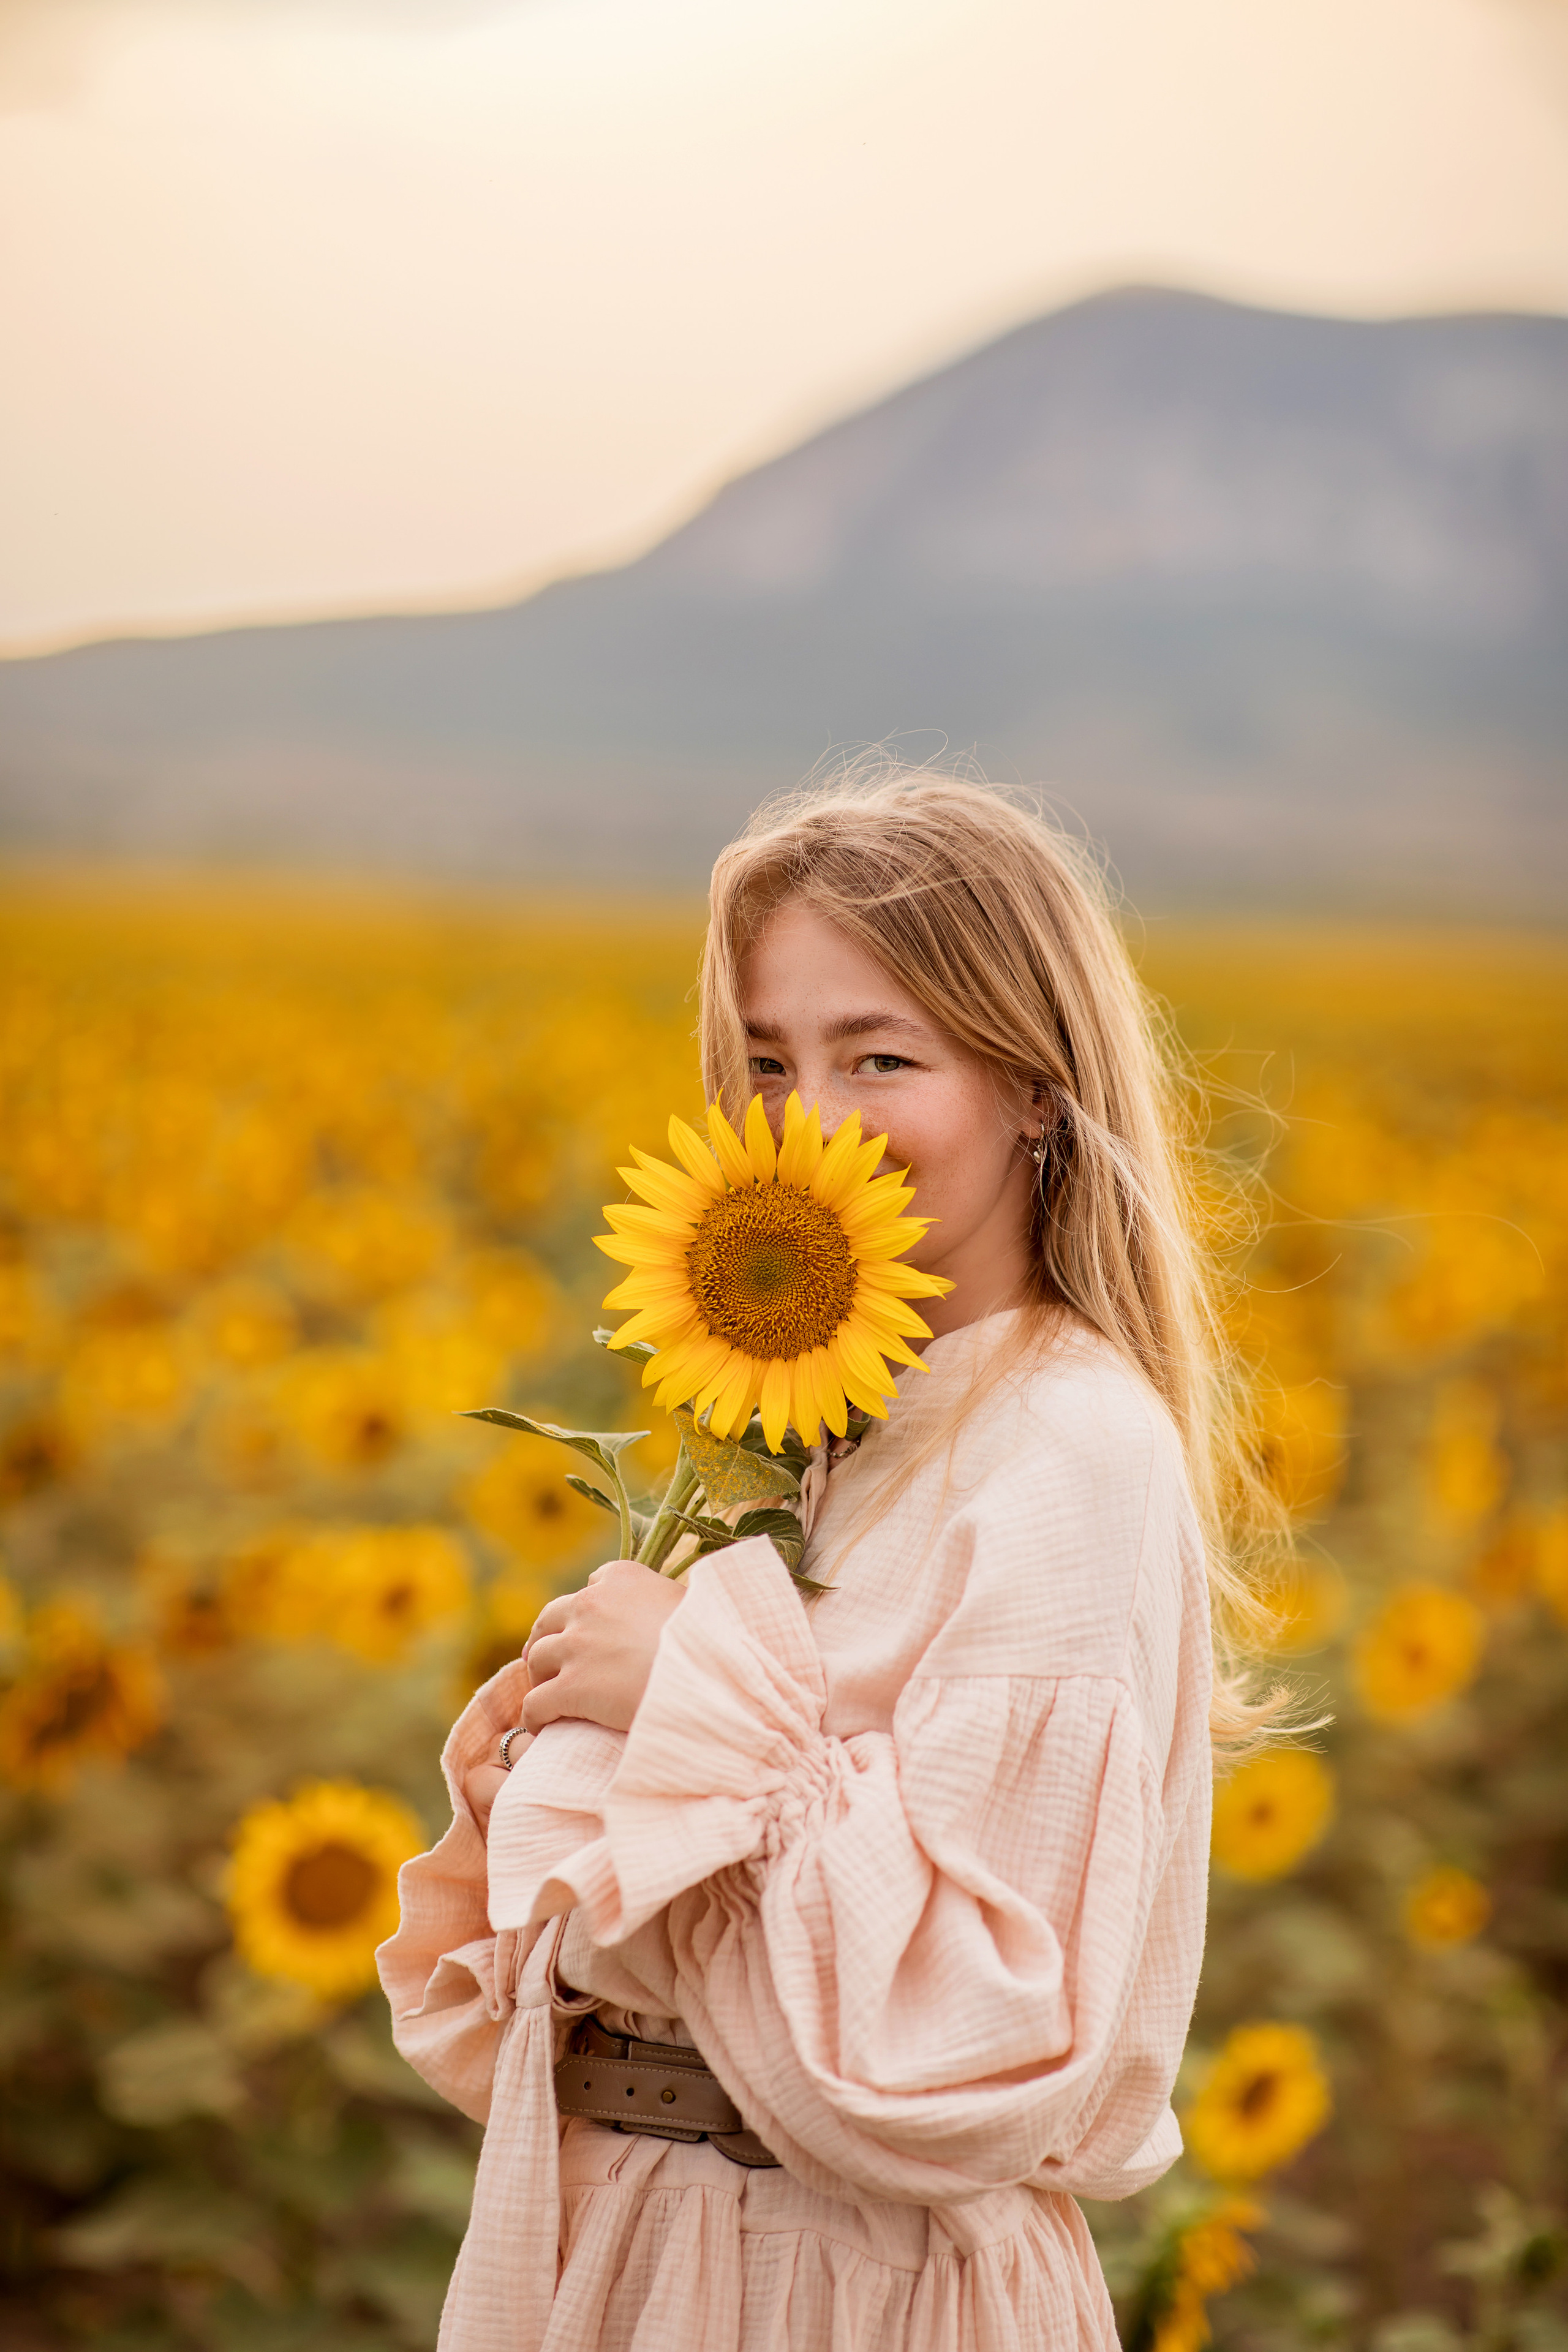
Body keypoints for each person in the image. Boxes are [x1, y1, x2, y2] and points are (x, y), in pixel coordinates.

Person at [379, 773, 1283, 2351]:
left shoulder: (1068, 1447)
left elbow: (972, 2034)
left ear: (1034, 1090)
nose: (811, 1124)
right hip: (639, 2247)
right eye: (768, 1060)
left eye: (882, 1056)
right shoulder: (802, 1421)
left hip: (837, 2284)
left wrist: (688, 1698)